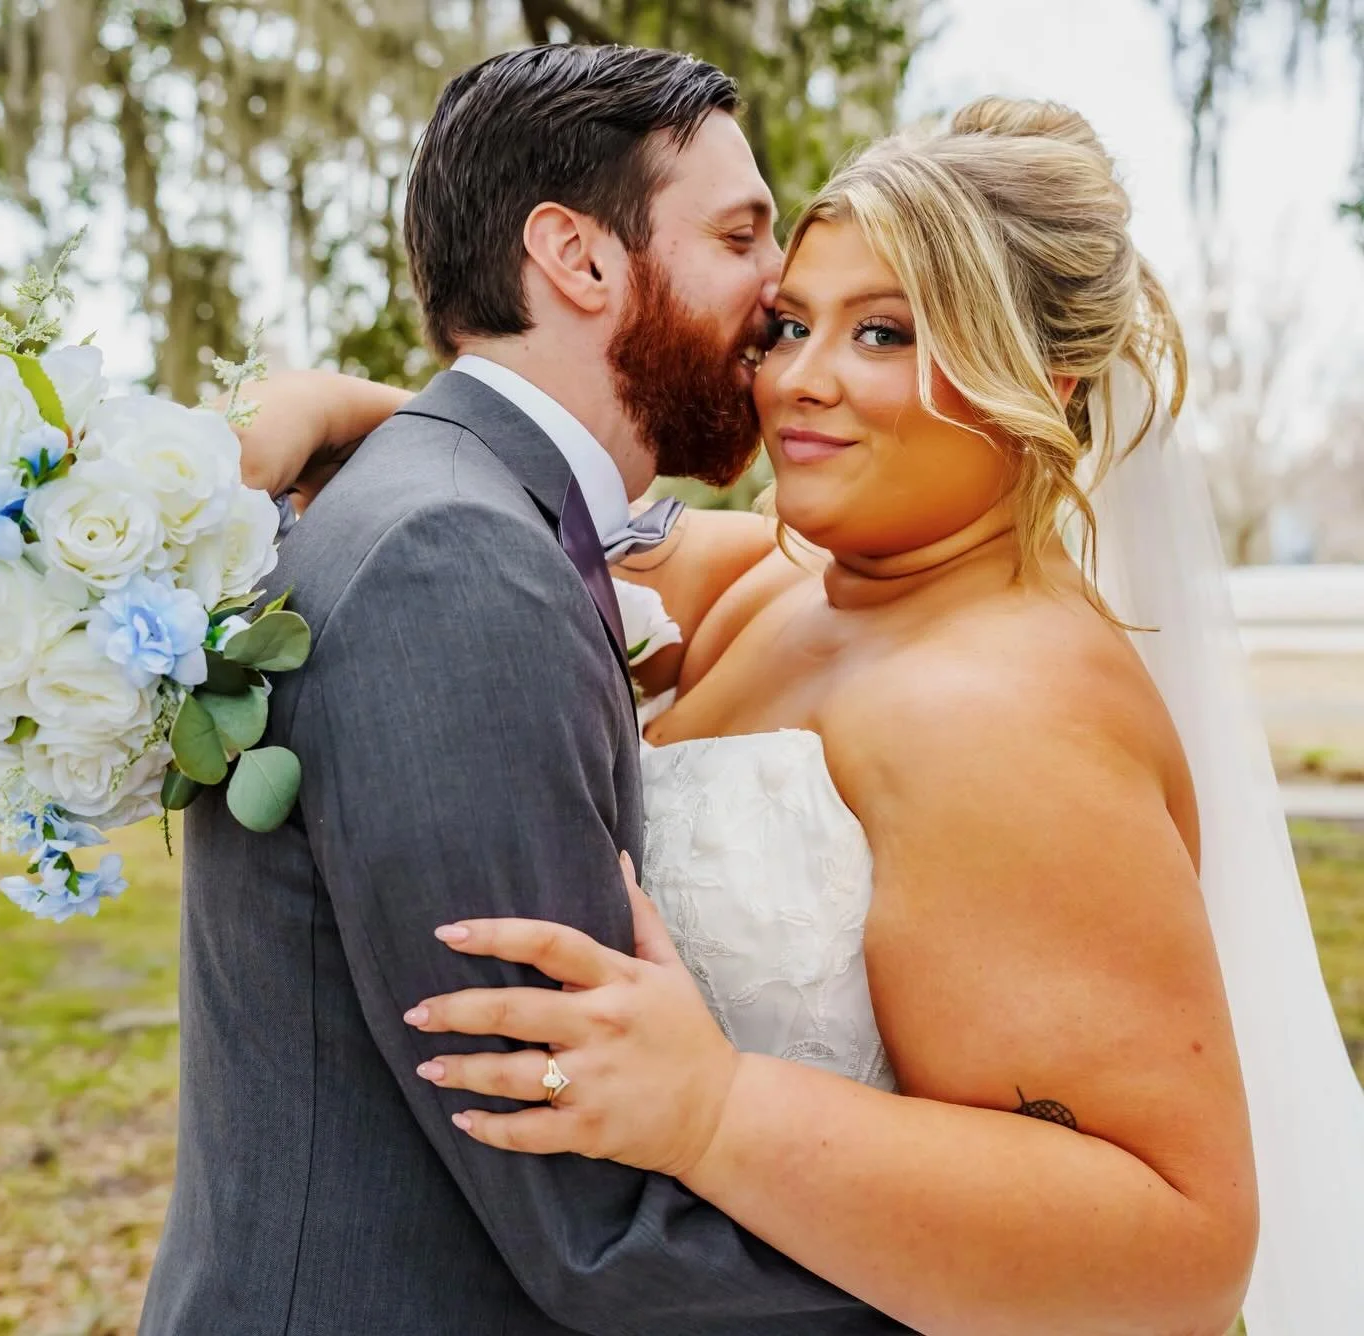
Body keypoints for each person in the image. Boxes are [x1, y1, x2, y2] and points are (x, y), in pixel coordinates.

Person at [244, 98, 1364, 1334]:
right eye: (787, 324)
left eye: (882, 332)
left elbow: (1184, 1248)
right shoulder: (779, 577)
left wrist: (717, 1112)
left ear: (1037, 383)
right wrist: (341, 410)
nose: (793, 380)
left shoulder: (1009, 713)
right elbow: (508, 511)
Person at [141, 44, 910, 1336]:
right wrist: (1002, 1293)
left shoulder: (464, 505)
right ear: (582, 259)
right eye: (739, 235)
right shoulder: (457, 564)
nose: (777, 297)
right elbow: (582, 1215)